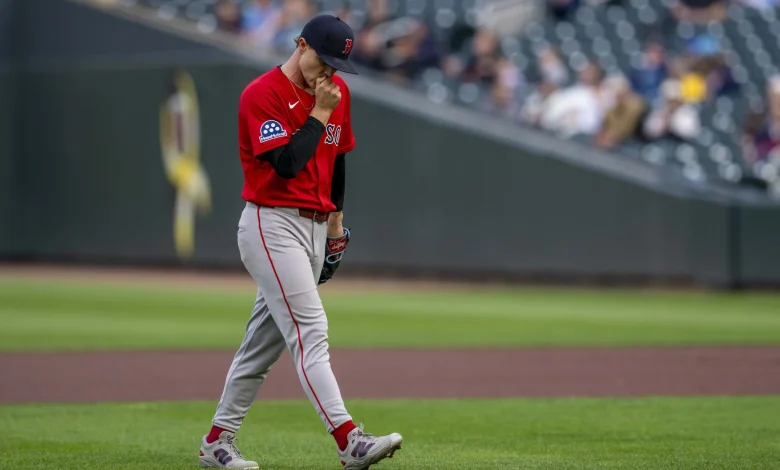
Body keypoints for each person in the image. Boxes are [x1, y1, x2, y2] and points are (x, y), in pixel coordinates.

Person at [197, 14, 404, 470]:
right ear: (300, 44)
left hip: (314, 227)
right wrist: (320, 112)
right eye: (324, 60)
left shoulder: (336, 93)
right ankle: (349, 439)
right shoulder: (262, 94)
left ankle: (217, 443)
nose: (329, 73)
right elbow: (286, 164)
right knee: (311, 331)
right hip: (271, 225)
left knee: (260, 348)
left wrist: (335, 229)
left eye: (337, 66)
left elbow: (338, 163)